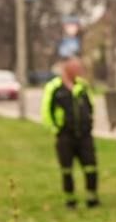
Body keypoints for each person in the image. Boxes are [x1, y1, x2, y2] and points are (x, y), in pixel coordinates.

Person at [41, 56, 100, 208]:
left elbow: (91, 106)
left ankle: (92, 198)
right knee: (66, 169)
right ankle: (70, 199)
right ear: (67, 69)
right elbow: (46, 111)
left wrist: (89, 122)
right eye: (76, 68)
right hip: (65, 136)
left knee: (91, 166)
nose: (79, 71)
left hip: (84, 136)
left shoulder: (83, 86)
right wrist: (56, 129)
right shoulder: (54, 87)